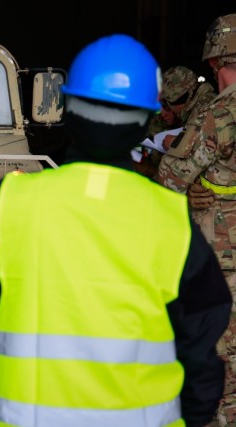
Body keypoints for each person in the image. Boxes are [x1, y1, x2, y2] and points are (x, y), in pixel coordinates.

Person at [0, 33, 232, 427]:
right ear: (146, 120)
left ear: (67, 111)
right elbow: (203, 360)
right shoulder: (171, 222)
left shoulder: (10, 205)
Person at [156, 13, 236, 427]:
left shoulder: (220, 114)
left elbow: (169, 179)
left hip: (225, 259)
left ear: (214, 62)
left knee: (221, 362)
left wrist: (194, 188)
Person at [135, 65, 215, 180]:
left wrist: (176, 144)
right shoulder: (202, 104)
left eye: (166, 105)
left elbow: (203, 153)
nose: (164, 111)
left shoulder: (203, 110)